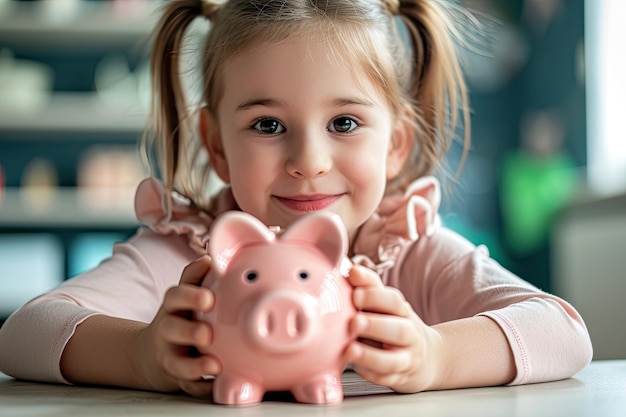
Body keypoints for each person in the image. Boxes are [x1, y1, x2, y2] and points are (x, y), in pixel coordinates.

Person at [0, 0, 591, 401]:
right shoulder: (188, 253)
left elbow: (564, 333)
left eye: (343, 122)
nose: (308, 161)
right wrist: (140, 356)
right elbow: (25, 331)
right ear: (216, 145)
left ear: (396, 145)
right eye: (266, 126)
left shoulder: (410, 251)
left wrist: (436, 356)